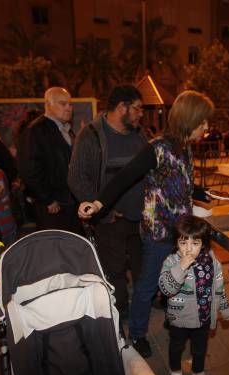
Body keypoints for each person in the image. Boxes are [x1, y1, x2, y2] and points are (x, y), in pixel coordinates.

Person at [78, 90, 214, 358]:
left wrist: (203, 192)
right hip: (159, 233)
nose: (207, 127)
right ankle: (137, 334)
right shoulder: (157, 148)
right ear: (190, 119)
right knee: (147, 286)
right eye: (203, 122)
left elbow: (179, 182)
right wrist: (97, 204)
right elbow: (124, 178)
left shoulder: (184, 147)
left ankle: (172, 317)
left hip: (181, 231)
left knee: (177, 279)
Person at [68, 84, 147, 318]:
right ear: (122, 107)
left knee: (143, 269)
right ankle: (119, 317)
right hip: (111, 222)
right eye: (138, 108)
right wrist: (104, 212)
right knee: (115, 274)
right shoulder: (91, 135)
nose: (141, 114)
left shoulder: (138, 134)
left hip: (140, 220)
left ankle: (141, 310)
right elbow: (76, 178)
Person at [158, 215, 229, 375]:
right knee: (176, 347)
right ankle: (175, 372)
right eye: (183, 243)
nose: (188, 249)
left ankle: (198, 373)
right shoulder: (171, 262)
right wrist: (180, 268)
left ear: (204, 244)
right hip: (180, 320)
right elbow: (166, 289)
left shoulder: (213, 262)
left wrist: (224, 307)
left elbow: (219, 287)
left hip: (204, 318)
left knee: (200, 349)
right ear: (177, 243)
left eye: (195, 243)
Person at [20, 87, 82, 233]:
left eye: (70, 104)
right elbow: (29, 169)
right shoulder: (35, 130)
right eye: (63, 103)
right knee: (55, 246)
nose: (68, 108)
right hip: (52, 204)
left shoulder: (66, 129)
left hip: (69, 202)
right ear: (48, 104)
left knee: (70, 245)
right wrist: (47, 199)